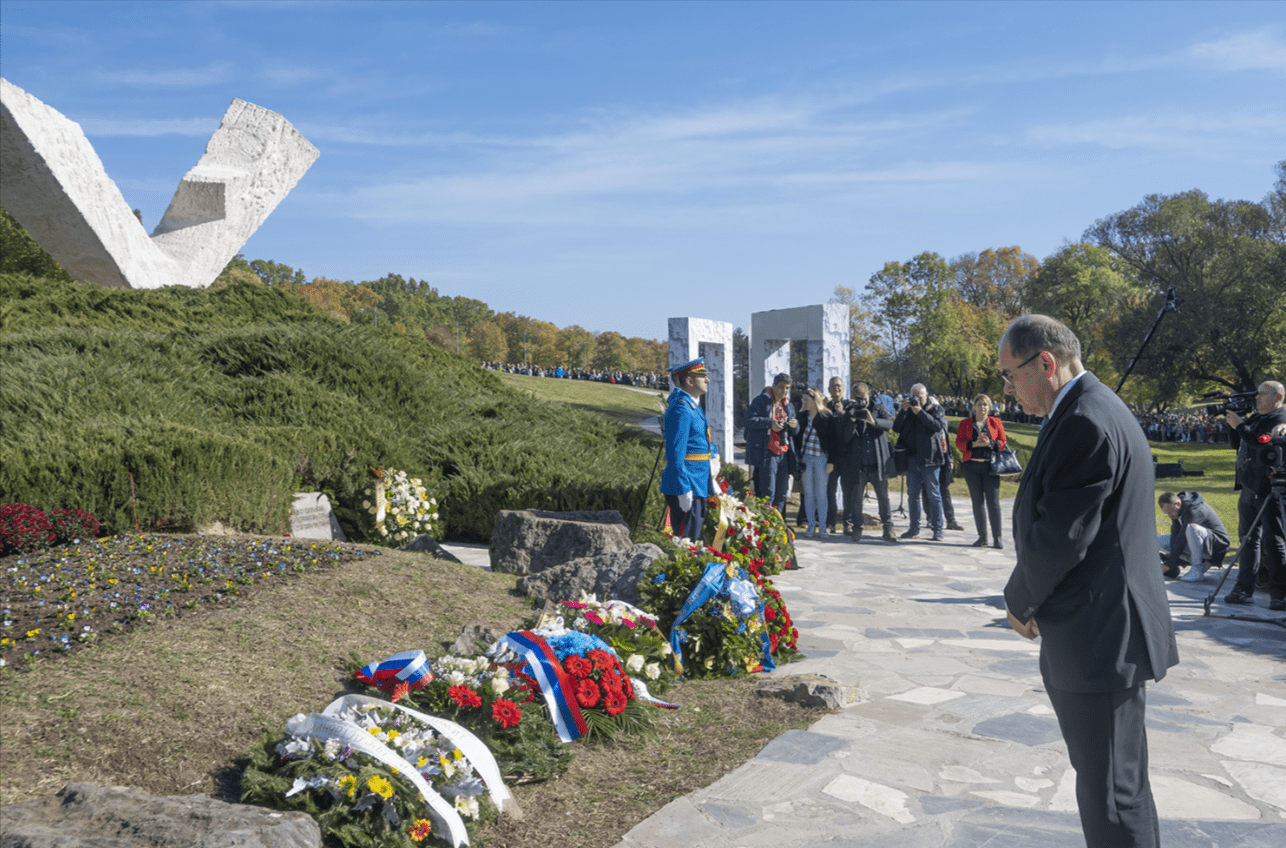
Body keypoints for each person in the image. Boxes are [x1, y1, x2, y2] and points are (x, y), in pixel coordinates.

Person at [1000, 314, 1178, 848]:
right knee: (1117, 788)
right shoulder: (1088, 408)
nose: (1007, 388)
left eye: (1011, 374)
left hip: (1100, 636)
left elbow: (1063, 535)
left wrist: (1018, 601)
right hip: (1098, 630)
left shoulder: (1085, 419)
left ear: (1045, 363)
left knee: (1111, 798)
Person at [1224, 380, 1286, 609]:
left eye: (1263, 394)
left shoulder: (1279, 419)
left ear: (1278, 397)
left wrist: (1240, 426)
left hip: (1268, 488)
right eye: (1257, 394)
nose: (1257, 398)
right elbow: (1238, 443)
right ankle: (1243, 588)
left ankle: (1278, 594)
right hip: (1249, 486)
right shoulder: (1256, 417)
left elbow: (1262, 443)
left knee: (1273, 540)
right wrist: (1232, 424)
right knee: (1247, 540)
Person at [659, 358, 718, 542]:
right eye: (702, 377)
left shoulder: (691, 405)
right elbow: (675, 453)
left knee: (692, 537)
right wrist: (683, 487)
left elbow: (699, 438)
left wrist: (714, 454)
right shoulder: (682, 408)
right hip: (687, 482)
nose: (707, 380)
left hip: (697, 481)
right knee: (685, 540)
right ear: (690, 381)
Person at [835, 382, 898, 542]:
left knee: (883, 497)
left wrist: (873, 421)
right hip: (859, 464)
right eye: (858, 399)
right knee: (856, 499)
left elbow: (891, 424)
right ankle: (857, 528)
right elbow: (846, 438)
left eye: (863, 398)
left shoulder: (877, 408)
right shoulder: (851, 410)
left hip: (878, 463)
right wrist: (851, 420)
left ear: (868, 396)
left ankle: (888, 527)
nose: (861, 401)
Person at [893, 383, 948, 541]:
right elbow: (897, 428)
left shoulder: (936, 409)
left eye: (920, 396)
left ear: (927, 395)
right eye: (914, 396)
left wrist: (919, 412)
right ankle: (914, 528)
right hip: (912, 459)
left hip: (931, 460)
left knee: (934, 495)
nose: (917, 399)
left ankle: (937, 529)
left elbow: (938, 427)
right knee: (913, 496)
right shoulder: (908, 410)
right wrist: (904, 411)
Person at [955, 393, 1007, 549]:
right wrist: (973, 444)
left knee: (993, 503)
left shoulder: (995, 422)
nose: (982, 408)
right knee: (977, 503)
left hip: (990, 468)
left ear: (989, 407)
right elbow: (959, 443)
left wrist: (990, 443)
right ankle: (982, 537)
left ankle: (997, 538)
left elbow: (1003, 442)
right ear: (974, 406)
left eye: (985, 405)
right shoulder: (965, 423)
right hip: (971, 467)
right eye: (979, 404)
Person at [744, 373, 798, 514]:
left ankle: (778, 527)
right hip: (767, 452)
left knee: (781, 494)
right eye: (781, 387)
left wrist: (794, 426)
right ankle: (766, 526)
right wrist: (769, 424)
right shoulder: (761, 401)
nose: (784, 391)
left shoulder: (789, 405)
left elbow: (795, 431)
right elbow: (748, 420)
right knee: (768, 493)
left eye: (787, 388)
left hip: (784, 452)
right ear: (773, 386)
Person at [1157, 491, 1229, 582]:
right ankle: (1197, 563)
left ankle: (1197, 570)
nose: (1170, 515)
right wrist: (1170, 563)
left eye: (1171, 512)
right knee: (1157, 540)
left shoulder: (1194, 510)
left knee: (1192, 528)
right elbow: (1175, 536)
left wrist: (1170, 563)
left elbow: (1181, 539)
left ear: (1178, 504)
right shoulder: (1177, 509)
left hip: (1216, 547)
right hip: (1201, 544)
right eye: (1167, 513)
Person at [794, 388, 836, 538]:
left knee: (821, 494)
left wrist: (831, 462)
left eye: (807, 400)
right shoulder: (801, 416)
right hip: (806, 458)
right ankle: (811, 524)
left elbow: (833, 442)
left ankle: (823, 525)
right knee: (808, 494)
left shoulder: (826, 417)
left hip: (821, 458)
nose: (804, 403)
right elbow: (796, 438)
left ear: (815, 401)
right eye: (803, 400)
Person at [825, 377, 847, 532]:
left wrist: (842, 413)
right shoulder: (826, 408)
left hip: (847, 457)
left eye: (839, 386)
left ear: (843, 389)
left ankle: (848, 523)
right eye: (833, 386)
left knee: (848, 491)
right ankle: (830, 522)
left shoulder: (850, 405)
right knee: (830, 491)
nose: (836, 389)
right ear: (829, 390)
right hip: (831, 457)